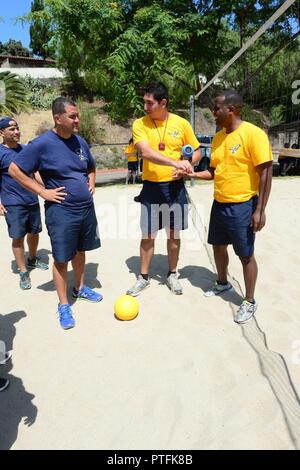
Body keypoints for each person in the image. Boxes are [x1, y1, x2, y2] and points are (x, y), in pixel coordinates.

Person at [175, 90, 273, 324]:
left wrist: (260, 209)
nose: (213, 113)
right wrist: (192, 173)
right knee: (218, 247)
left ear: (232, 109)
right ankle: (222, 283)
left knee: (245, 255)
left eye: (217, 108)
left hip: (243, 205)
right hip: (219, 203)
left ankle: (249, 301)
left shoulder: (253, 134)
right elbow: (215, 172)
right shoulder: (218, 138)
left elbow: (266, 173)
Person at [8, 97, 102, 330]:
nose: (77, 120)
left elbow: (90, 166)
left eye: (77, 115)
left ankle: (79, 288)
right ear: (57, 118)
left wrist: (91, 181)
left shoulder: (80, 141)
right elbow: (15, 170)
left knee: (80, 252)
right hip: (61, 212)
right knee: (61, 258)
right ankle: (63, 305)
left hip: (85, 210)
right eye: (72, 116)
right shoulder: (42, 144)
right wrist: (43, 191)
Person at [126, 81, 201, 296]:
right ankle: (143, 277)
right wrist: (175, 162)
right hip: (151, 188)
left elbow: (195, 151)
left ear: (163, 103)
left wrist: (188, 164)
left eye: (150, 103)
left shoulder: (181, 124)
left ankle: (172, 273)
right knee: (148, 235)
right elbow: (146, 152)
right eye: (144, 102)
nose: (145, 107)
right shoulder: (140, 124)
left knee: (173, 234)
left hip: (175, 188)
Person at [0, 117, 48, 290]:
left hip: (31, 199)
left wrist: (46, 189)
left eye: (17, 128)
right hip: (12, 202)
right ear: (1, 133)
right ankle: (22, 271)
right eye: (11, 129)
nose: (16, 131)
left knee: (34, 232)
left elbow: (35, 172)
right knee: (18, 236)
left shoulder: (26, 150)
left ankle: (32, 258)